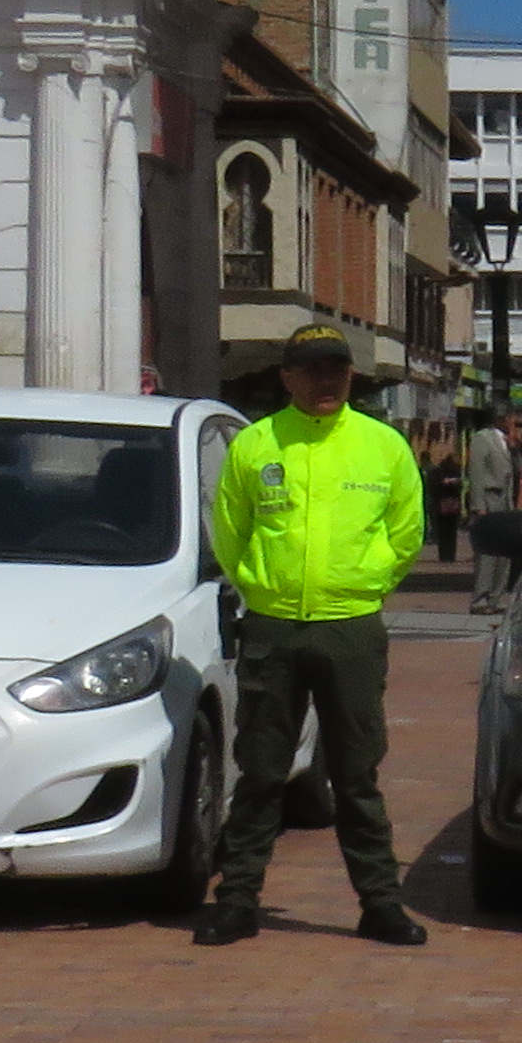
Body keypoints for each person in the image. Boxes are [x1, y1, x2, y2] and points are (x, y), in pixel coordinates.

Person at [197, 326, 430, 949]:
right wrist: (258, 587)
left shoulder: (382, 446)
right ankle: (237, 901)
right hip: (273, 628)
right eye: (312, 370)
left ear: (351, 376)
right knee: (261, 772)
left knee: (356, 776)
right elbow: (230, 530)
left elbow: (406, 532)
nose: (326, 380)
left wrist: (367, 584)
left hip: (351, 628)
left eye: (337, 369)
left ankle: (380, 905)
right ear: (287, 378)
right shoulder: (256, 444)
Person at [459, 401, 522, 615]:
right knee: (487, 554)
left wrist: (515, 448)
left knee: (503, 553)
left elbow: (517, 471)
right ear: (500, 418)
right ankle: (481, 598)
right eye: (511, 417)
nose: (514, 421)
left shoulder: (508, 441)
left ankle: (495, 598)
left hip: (505, 500)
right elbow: (477, 472)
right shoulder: (482, 438)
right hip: (489, 498)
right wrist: (478, 506)